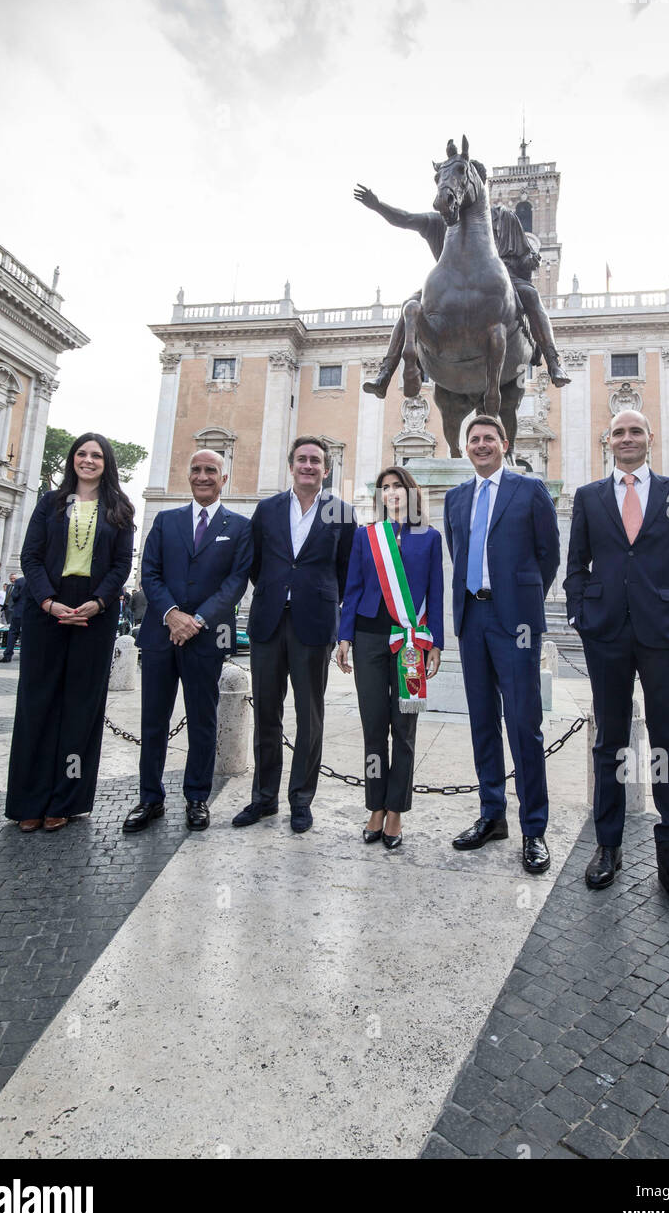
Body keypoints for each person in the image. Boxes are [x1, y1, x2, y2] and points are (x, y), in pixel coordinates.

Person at [564, 409, 669, 895]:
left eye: (636, 431)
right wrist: (581, 616)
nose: (627, 439)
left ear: (650, 438)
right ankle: (608, 843)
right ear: (607, 441)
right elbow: (576, 565)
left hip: (665, 632)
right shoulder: (588, 497)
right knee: (610, 739)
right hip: (605, 632)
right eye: (619, 432)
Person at [444, 415, 560, 872]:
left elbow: (548, 553)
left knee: (523, 723)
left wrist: (522, 595)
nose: (481, 444)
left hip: (516, 622)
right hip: (473, 616)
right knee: (482, 721)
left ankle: (534, 828)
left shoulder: (529, 490)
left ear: (504, 443)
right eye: (473, 439)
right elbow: (458, 553)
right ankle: (492, 815)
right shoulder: (455, 498)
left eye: (488, 438)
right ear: (466, 448)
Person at [5, 433, 135, 832]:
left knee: (81, 709)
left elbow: (121, 565)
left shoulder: (120, 508)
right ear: (72, 459)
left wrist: (97, 603)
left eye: (97, 455)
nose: (89, 460)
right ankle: (29, 800)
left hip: (95, 611)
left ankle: (66, 798)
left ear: (106, 463)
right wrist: (47, 602)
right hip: (48, 606)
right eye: (82, 453)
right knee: (37, 704)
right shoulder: (50, 503)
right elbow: (30, 556)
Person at [124, 450, 253, 834]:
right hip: (162, 635)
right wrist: (172, 615)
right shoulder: (165, 521)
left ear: (223, 478)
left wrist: (196, 620)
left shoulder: (240, 527)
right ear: (188, 475)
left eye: (210, 470)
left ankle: (197, 797)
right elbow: (150, 572)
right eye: (195, 469)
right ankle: (150, 797)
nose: (202, 476)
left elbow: (235, 583)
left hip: (206, 638)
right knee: (153, 721)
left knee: (202, 720)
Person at [233, 436, 356, 834]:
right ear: (291, 466)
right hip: (269, 621)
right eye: (302, 459)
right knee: (267, 713)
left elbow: (346, 572)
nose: (308, 466)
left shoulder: (341, 512)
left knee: (310, 715)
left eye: (315, 460)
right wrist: (276, 588)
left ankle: (301, 799)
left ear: (326, 468)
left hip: (314, 623)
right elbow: (255, 563)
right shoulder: (267, 509)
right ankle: (263, 798)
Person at [354, 175, 570, 392]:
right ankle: (386, 371)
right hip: (447, 289)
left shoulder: (502, 218)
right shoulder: (441, 221)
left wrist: (528, 260)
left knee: (531, 296)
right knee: (409, 306)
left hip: (501, 283)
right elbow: (406, 218)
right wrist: (377, 205)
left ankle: (553, 361)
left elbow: (522, 256)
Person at [336, 467, 443, 849]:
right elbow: (352, 587)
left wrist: (437, 643)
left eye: (398, 486)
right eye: (385, 487)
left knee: (405, 728)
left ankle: (396, 809)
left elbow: (436, 592)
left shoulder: (429, 538)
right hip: (367, 638)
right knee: (373, 726)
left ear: (411, 493)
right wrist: (344, 636)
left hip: (410, 642)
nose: (392, 492)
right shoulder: (367, 536)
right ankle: (375, 806)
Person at [0, 572, 25, 663]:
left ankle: (8, 654)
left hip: (17, 611)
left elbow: (14, 596)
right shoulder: (36, 580)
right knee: (25, 635)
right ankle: (24, 655)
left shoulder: (19, 581)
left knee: (13, 633)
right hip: (29, 612)